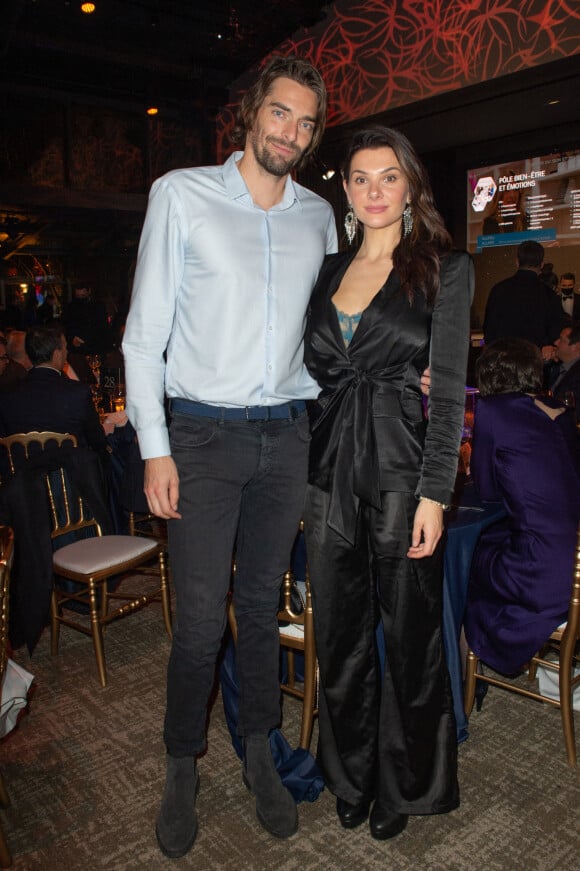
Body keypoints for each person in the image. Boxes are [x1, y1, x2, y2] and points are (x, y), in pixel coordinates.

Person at [122, 55, 337, 859]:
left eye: (307, 122)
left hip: (287, 434)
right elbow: (144, 335)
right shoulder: (182, 194)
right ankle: (184, 761)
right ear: (252, 112)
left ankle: (258, 752)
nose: (292, 132)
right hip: (202, 436)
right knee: (198, 622)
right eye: (281, 113)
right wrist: (155, 447)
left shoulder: (321, 215)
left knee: (260, 610)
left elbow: (339, 321)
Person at [303, 126, 473, 840]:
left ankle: (406, 782)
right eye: (361, 179)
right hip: (327, 473)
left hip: (404, 471)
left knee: (409, 640)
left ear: (410, 186)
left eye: (388, 178)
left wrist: (436, 492)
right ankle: (350, 773)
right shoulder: (325, 270)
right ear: (344, 189)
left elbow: (453, 387)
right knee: (338, 636)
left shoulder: (445, 268)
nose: (374, 191)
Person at [464, 338, 579, 675]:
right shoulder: (560, 411)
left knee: (458, 555)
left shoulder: (492, 411)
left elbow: (486, 490)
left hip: (542, 573)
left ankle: (461, 670)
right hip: (574, 566)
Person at [0, 325, 108, 458]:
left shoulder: (7, 395)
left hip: (24, 474)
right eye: (65, 348)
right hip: (70, 475)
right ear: (57, 354)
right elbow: (98, 442)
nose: (67, 352)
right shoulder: (77, 393)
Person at [483, 240, 565, 359]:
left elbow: (489, 332)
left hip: (502, 360)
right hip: (535, 362)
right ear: (542, 264)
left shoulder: (498, 290)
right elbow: (556, 335)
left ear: (517, 262)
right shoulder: (549, 295)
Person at [62, 282, 111, 356]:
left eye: (83, 295)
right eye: (78, 296)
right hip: (77, 349)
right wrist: (72, 338)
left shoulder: (98, 306)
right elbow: (67, 325)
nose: (80, 298)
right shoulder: (71, 307)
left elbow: (103, 327)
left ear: (89, 292)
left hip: (95, 347)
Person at [550, 322, 580, 409]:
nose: (555, 342)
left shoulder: (577, 374)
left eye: (561, 339)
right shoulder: (558, 367)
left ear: (575, 346)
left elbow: (572, 408)